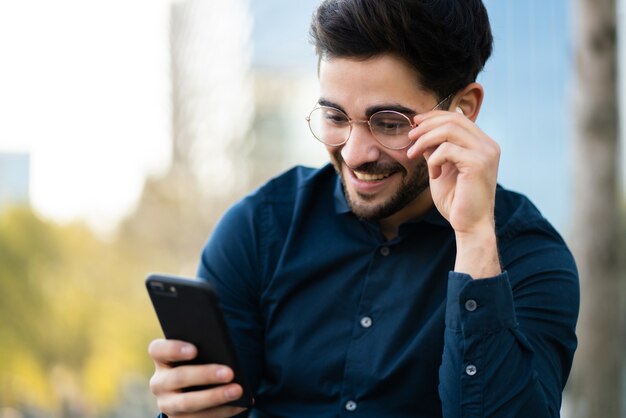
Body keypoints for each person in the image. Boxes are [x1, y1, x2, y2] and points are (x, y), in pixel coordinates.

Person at [147, 0, 579, 417]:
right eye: (335, 117)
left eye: (389, 123)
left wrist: (473, 240)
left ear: (462, 110)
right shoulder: (259, 228)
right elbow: (213, 403)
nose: (354, 154)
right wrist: (189, 409)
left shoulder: (528, 256)